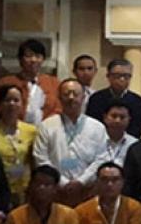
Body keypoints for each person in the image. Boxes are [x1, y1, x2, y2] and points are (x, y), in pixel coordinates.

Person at [32, 78, 107, 207]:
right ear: (59, 98)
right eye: (66, 94)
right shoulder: (46, 125)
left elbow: (101, 159)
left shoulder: (97, 127)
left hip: (87, 192)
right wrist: (62, 182)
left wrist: (81, 181)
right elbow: (41, 158)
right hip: (56, 192)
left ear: (83, 97)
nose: (71, 98)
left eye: (75, 94)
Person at [0, 84, 37, 206]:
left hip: (25, 190)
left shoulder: (31, 131)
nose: (12, 104)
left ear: (22, 104)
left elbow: (34, 161)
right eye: (7, 100)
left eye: (16, 100)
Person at [0, 39, 60, 125]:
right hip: (15, 129)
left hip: (46, 129)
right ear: (20, 59)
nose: (33, 60)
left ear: (43, 59)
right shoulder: (6, 82)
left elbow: (59, 110)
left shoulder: (53, 83)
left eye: (38, 56)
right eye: (28, 56)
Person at [86, 59, 141, 138]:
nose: (122, 79)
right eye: (117, 75)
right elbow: (92, 124)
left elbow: (138, 127)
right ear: (108, 76)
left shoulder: (138, 101)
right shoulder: (96, 99)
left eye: (126, 76)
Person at [88, 99, 138, 174]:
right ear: (105, 118)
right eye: (114, 116)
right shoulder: (93, 140)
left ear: (129, 120)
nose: (117, 120)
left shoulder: (134, 144)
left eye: (122, 117)